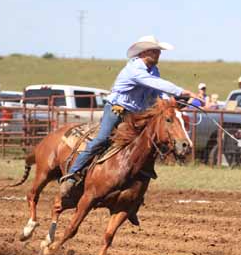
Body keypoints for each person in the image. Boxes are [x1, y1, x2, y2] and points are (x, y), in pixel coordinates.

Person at [59, 35, 196, 198]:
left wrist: (170, 105)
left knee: (143, 144)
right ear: (144, 52)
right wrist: (180, 91)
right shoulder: (135, 69)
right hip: (117, 109)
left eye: (158, 51)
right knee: (102, 139)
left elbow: (157, 92)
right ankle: (72, 175)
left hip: (135, 114)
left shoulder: (153, 71)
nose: (158, 54)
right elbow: (155, 84)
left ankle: (132, 197)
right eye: (154, 51)